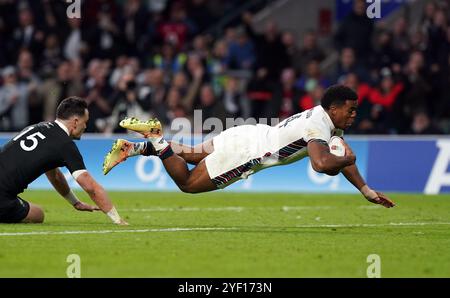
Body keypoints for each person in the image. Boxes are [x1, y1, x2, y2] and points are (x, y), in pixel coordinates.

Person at [103, 85, 395, 208]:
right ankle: (156, 137)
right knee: (188, 184)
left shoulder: (328, 122)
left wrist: (365, 190)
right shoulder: (318, 126)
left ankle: (135, 148)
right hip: (246, 154)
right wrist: (346, 159)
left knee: (190, 153)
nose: (355, 115)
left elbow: (340, 156)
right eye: (351, 110)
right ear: (334, 108)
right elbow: (322, 164)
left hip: (247, 133)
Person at [0, 96, 127, 224]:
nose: (85, 126)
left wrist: (75, 202)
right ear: (76, 122)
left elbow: (55, 175)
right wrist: (118, 219)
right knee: (38, 214)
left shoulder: (40, 127)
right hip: (2, 197)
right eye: (85, 122)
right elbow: (91, 187)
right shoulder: (65, 144)